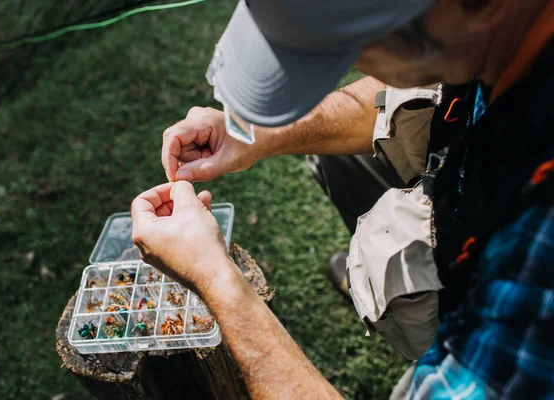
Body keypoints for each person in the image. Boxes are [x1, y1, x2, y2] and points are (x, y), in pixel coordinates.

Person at [131, 0, 554, 398]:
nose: (350, 66)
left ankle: (434, 311)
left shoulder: (540, 246)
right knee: (345, 155)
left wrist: (216, 278)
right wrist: (253, 136)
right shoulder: (496, 33)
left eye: (355, 47)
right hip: (480, 180)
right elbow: (430, 82)